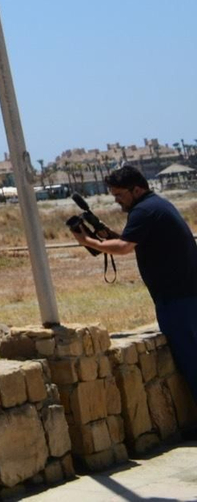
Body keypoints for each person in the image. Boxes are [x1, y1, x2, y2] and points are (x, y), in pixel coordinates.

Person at [70, 166, 197, 394]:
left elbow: (124, 247)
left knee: (192, 363)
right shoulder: (156, 205)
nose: (117, 200)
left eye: (119, 195)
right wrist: (109, 235)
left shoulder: (143, 211)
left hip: (177, 301)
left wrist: (90, 242)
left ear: (136, 190)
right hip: (186, 295)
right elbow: (132, 240)